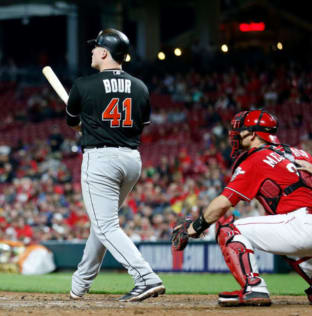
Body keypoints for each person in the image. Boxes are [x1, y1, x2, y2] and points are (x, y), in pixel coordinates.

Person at [172, 110, 312, 306]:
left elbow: (222, 203)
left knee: (229, 228)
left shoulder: (257, 158)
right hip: (303, 225)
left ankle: (254, 288)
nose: (235, 135)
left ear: (253, 134)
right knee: (291, 250)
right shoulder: (300, 153)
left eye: (241, 131)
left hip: (302, 223)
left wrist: (194, 228)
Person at [66, 28, 164, 302]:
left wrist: (85, 127)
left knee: (105, 226)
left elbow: (72, 121)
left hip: (101, 159)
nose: (93, 51)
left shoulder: (84, 84)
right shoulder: (140, 86)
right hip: (131, 160)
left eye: (96, 47)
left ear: (105, 52)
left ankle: (146, 277)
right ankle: (80, 284)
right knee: (102, 224)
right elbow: (138, 126)